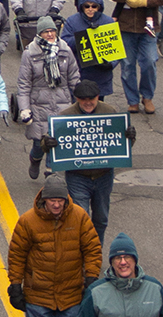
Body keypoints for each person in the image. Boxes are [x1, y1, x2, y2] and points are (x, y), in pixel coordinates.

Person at [8, 176, 101, 317]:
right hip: (38, 294)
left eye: (60, 200)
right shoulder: (28, 222)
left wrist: (91, 277)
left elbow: (92, 248)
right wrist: (15, 285)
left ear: (66, 200)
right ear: (44, 200)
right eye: (52, 201)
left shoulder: (79, 216)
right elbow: (17, 254)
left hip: (71, 293)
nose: (56, 205)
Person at [54, 81, 135, 244]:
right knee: (81, 219)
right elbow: (51, 145)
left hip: (103, 176)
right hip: (77, 177)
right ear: (77, 99)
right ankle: (83, 255)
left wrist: (130, 137)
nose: (88, 103)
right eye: (83, 99)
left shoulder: (109, 112)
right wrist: (47, 142)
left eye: (92, 98)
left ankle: (95, 253)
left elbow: (120, 146)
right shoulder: (64, 117)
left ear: (98, 97)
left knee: (101, 218)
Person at [18, 16, 80, 183]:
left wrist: (81, 97)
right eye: (46, 31)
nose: (50, 34)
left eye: (52, 30)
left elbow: (74, 76)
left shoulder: (65, 50)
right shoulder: (30, 54)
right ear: (40, 34)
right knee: (39, 144)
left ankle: (50, 175)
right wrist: (24, 109)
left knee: (56, 143)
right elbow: (24, 85)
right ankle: (35, 160)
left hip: (62, 104)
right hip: (39, 105)